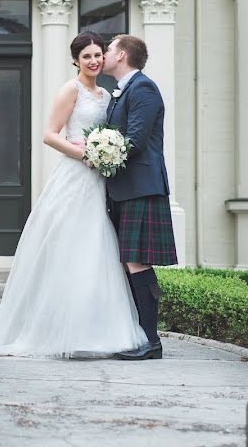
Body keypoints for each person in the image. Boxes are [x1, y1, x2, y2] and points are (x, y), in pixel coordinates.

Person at [0, 31, 147, 358]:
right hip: (74, 177)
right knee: (69, 246)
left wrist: (106, 154)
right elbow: (49, 135)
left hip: (99, 181)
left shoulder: (106, 94)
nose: (94, 60)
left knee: (96, 248)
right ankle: (51, 330)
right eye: (86, 56)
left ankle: (96, 330)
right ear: (76, 60)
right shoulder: (69, 90)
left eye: (98, 54)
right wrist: (84, 154)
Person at [102, 34, 178, 361]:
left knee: (137, 261)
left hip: (141, 186)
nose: (103, 55)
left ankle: (151, 341)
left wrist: (98, 157)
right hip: (124, 186)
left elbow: (134, 139)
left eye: (107, 50)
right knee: (127, 261)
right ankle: (138, 336)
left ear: (120, 55)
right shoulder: (124, 90)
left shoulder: (143, 88)